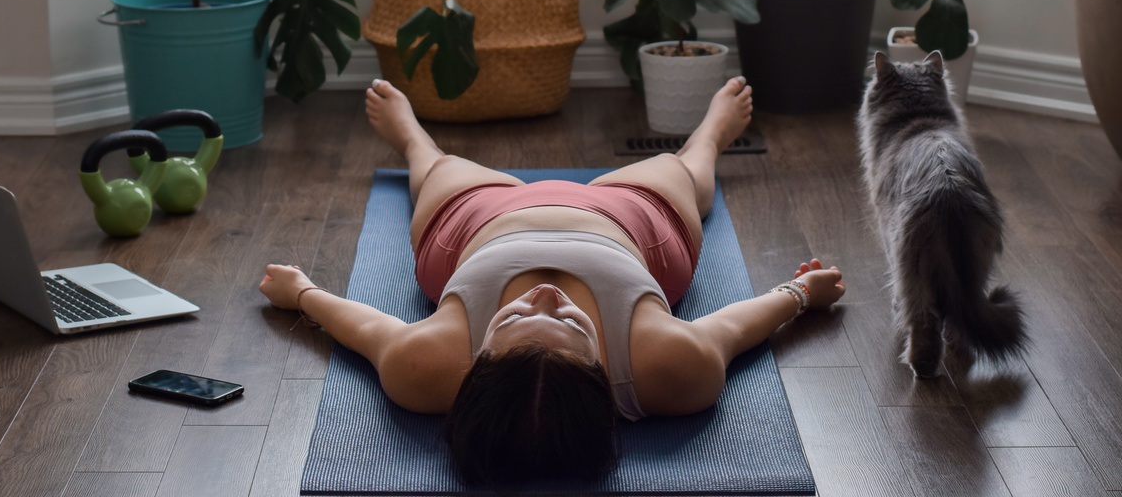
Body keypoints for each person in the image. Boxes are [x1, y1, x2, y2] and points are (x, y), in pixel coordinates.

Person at [260, 77, 846, 486]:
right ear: (607, 377)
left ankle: (416, 139)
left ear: (476, 364)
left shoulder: (427, 369)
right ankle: (709, 137)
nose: (541, 297)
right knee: (684, 174)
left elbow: (368, 329)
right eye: (569, 323)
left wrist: (302, 294)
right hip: (631, 221)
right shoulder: (669, 368)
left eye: (511, 321)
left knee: (433, 171)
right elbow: (731, 329)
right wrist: (798, 295)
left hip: (477, 220)